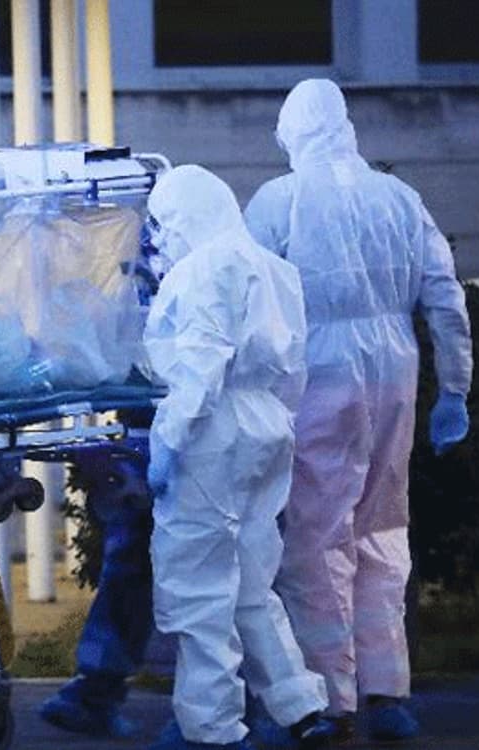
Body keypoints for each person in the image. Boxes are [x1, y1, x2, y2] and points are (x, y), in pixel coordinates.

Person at [244, 79, 472, 743]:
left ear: (292, 132)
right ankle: (387, 691)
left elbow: (246, 298)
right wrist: (453, 389)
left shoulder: (280, 200)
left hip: (318, 374)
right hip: (395, 370)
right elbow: (445, 296)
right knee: (382, 528)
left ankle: (331, 699)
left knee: (317, 538)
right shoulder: (399, 198)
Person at [142, 165, 333, 750]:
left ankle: (212, 728)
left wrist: (169, 443)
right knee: (252, 580)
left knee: (197, 588)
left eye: (165, 225)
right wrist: (278, 424)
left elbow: (200, 367)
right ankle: (300, 706)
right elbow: (296, 365)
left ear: (188, 216)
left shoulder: (204, 267)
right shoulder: (273, 268)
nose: (162, 239)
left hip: (212, 431)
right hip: (267, 423)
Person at [37, 422, 153, 739]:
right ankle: (93, 693)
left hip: (147, 438)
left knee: (128, 574)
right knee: (132, 575)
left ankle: (93, 691)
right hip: (167, 437)